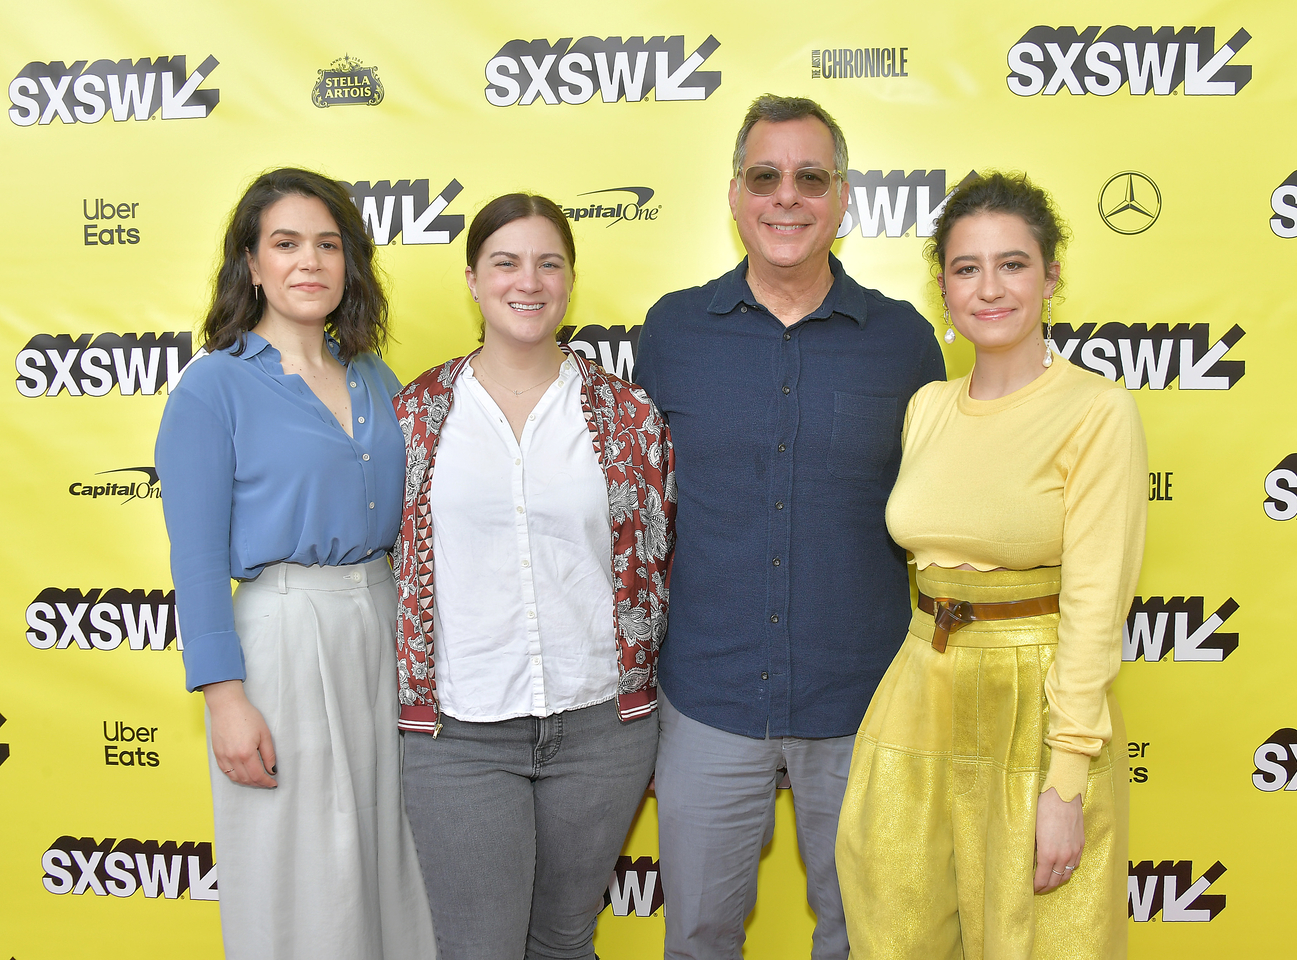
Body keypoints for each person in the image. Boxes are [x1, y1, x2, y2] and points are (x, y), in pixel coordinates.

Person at [633, 94, 946, 960]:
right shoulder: (670, 332)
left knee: (864, 936)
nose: (787, 197)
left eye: (811, 178)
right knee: (696, 936)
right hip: (707, 701)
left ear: (843, 197)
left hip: (862, 704)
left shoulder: (906, 342)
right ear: (734, 195)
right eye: (765, 176)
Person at [835, 171, 1147, 959]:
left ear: (1051, 276)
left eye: (1013, 264)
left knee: (1040, 941)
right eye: (967, 268)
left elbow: (1095, 602)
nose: (990, 287)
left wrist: (1067, 781)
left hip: (1035, 707)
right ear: (944, 288)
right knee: (893, 928)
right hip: (917, 692)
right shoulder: (928, 406)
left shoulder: (1096, 410)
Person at [154, 167, 434, 959]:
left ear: (349, 264)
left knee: (394, 860)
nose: (308, 262)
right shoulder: (212, 389)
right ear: (251, 263)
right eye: (285, 244)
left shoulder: (377, 378)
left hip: (386, 634)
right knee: (302, 870)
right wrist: (224, 699)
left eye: (327, 244)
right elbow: (197, 561)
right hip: (281, 639)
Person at [390, 193, 676, 960]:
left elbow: (659, 556)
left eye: (549, 263)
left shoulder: (628, 414)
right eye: (506, 262)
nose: (529, 280)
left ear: (570, 281)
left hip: (600, 730)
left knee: (564, 942)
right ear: (473, 281)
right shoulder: (415, 415)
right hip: (461, 734)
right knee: (479, 947)